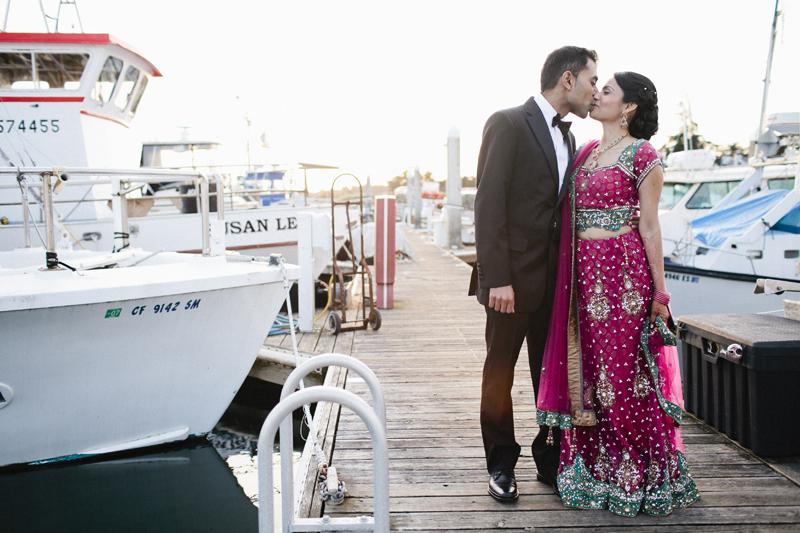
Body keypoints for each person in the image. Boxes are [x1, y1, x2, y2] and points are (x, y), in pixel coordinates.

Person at [536, 72, 701, 516]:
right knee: (590, 375)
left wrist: (660, 295)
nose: (597, 94)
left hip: (624, 279)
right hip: (585, 281)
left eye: (606, 90)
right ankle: (595, 470)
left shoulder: (643, 155)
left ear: (628, 107)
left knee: (626, 377)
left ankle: (637, 472)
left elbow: (649, 226)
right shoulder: (587, 152)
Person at [468, 46, 599, 502]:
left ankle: (550, 461)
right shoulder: (507, 122)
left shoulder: (568, 139)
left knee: (552, 377)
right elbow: (488, 204)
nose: (594, 91)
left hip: (554, 286)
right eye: (590, 80)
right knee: (498, 375)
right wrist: (496, 277)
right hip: (510, 284)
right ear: (568, 79)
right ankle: (501, 464)